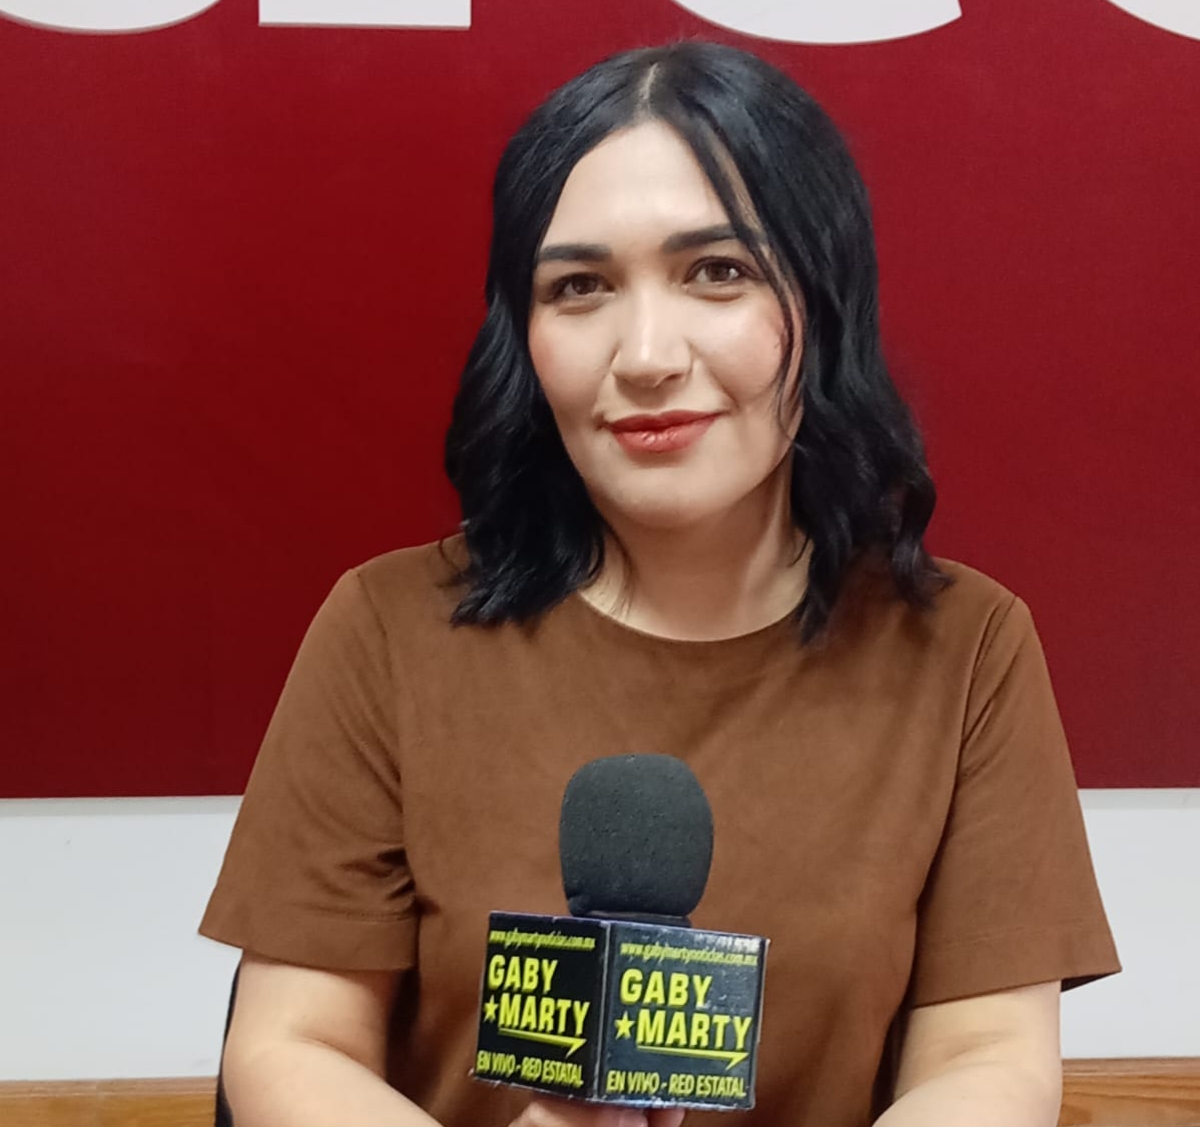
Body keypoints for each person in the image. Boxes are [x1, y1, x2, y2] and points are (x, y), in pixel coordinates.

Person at [200, 40, 1120, 1127]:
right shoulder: (386, 630)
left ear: (823, 299)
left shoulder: (967, 648)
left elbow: (989, 1058)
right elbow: (291, 1044)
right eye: (579, 286)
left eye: (717, 271)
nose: (645, 354)